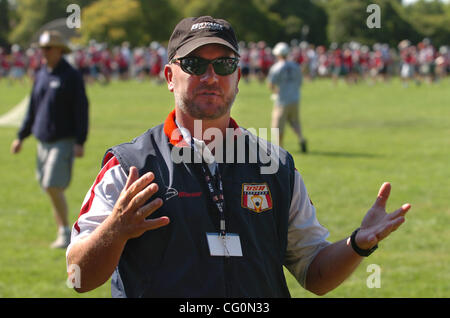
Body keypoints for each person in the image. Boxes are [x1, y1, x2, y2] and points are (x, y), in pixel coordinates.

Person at [66, 16, 410, 297]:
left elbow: (314, 273)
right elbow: (78, 277)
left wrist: (357, 244)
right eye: (195, 64)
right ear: (170, 76)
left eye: (225, 64)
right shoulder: (131, 165)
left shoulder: (275, 166)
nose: (211, 76)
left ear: (238, 77)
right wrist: (116, 229)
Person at [11, 30, 89, 249]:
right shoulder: (41, 74)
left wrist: (80, 141)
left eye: (47, 48)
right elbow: (33, 108)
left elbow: (81, 109)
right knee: (49, 188)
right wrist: (21, 137)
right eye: (41, 49)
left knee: (52, 185)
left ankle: (66, 233)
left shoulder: (71, 76)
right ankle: (63, 230)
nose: (43, 53)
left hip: (63, 140)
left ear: (59, 50)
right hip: (41, 141)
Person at [267, 42, 307, 152]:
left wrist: (276, 91)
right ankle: (301, 138)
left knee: (277, 125)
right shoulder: (296, 66)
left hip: (282, 100)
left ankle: (279, 149)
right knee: (295, 122)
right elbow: (299, 82)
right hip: (295, 98)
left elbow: (271, 84)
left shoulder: (276, 68)